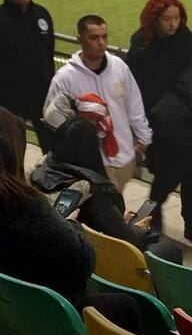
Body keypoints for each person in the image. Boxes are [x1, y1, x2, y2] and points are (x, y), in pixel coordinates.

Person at [0, 107, 140, 332]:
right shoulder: (25, 207)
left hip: (15, 314)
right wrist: (71, 224)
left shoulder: (38, 178)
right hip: (47, 317)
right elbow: (84, 261)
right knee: (126, 305)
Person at [128, 0, 192, 248]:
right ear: (155, 19)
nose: (173, 24)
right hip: (161, 125)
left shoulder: (186, 38)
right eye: (167, 19)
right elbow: (135, 85)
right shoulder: (141, 43)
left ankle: (191, 223)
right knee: (166, 174)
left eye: (176, 18)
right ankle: (155, 213)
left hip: (190, 123)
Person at [31, 113, 182, 263]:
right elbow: (126, 239)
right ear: (91, 148)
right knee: (169, 249)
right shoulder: (93, 192)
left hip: (58, 252)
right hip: (87, 259)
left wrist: (118, 220)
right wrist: (139, 228)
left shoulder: (38, 174)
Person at [45, 14, 151, 193]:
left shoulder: (119, 67)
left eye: (104, 36)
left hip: (124, 157)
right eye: (94, 37)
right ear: (80, 39)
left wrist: (144, 136)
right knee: (108, 213)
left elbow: (134, 104)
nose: (101, 43)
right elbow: (52, 119)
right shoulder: (65, 78)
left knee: (115, 205)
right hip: (91, 165)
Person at [0, 0, 54, 150]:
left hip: (42, 96)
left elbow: (49, 52)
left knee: (51, 148)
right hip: (10, 100)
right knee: (12, 151)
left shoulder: (42, 14)